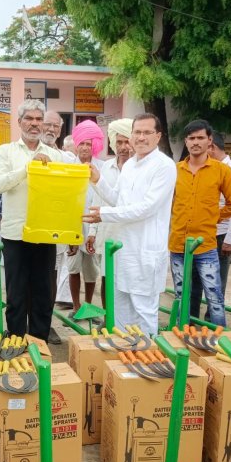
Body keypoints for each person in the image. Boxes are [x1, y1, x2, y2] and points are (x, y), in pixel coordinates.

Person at [82, 113, 176, 335]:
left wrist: (105, 214)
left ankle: (148, 358)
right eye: (137, 132)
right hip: (124, 250)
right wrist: (98, 181)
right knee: (121, 309)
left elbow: (147, 207)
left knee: (144, 310)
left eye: (147, 132)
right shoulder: (131, 165)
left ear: (158, 136)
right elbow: (119, 200)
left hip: (146, 251)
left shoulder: (164, 166)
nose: (141, 137)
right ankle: (125, 357)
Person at [0, 100, 64, 342]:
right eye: (29, 119)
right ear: (19, 122)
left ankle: (39, 343)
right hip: (16, 233)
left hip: (45, 233)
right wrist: (27, 169)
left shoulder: (55, 155)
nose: (34, 123)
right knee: (16, 293)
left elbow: (62, 195)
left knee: (44, 292)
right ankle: (17, 341)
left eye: (38, 119)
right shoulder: (6, 151)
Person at [169, 120, 231, 328]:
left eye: (200, 137)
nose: (195, 142)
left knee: (214, 295)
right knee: (181, 295)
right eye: (191, 138)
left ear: (209, 141)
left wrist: (212, 216)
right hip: (178, 244)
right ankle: (183, 335)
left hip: (206, 245)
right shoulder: (175, 170)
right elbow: (167, 203)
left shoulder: (221, 171)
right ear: (186, 141)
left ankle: (219, 340)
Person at [190, 131, 231, 321]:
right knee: (194, 283)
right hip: (200, 234)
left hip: (220, 236)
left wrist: (230, 240)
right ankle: (189, 322)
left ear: (211, 146)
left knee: (214, 284)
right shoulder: (203, 168)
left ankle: (212, 325)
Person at [85, 118, 133, 309]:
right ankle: (107, 317)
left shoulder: (138, 169)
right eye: (119, 142)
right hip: (108, 232)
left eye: (126, 141)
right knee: (106, 277)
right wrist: (92, 231)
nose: (123, 147)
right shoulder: (106, 167)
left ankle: (124, 319)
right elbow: (99, 200)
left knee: (127, 279)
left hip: (130, 233)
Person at [40, 110, 72, 343]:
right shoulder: (25, 153)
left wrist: (72, 232)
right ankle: (26, 328)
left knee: (50, 281)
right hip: (29, 230)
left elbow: (72, 197)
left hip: (57, 231)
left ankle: (46, 324)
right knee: (28, 281)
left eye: (56, 127)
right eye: (47, 124)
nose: (51, 129)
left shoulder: (67, 159)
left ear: (60, 131)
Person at [67, 120, 104, 316]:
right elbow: (66, 200)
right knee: (73, 268)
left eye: (88, 144)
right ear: (76, 144)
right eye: (81, 143)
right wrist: (69, 235)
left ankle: (88, 305)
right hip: (73, 227)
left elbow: (101, 198)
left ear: (94, 146)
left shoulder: (101, 168)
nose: (84, 147)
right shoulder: (70, 166)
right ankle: (75, 306)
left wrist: (93, 233)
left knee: (91, 271)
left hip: (93, 227)